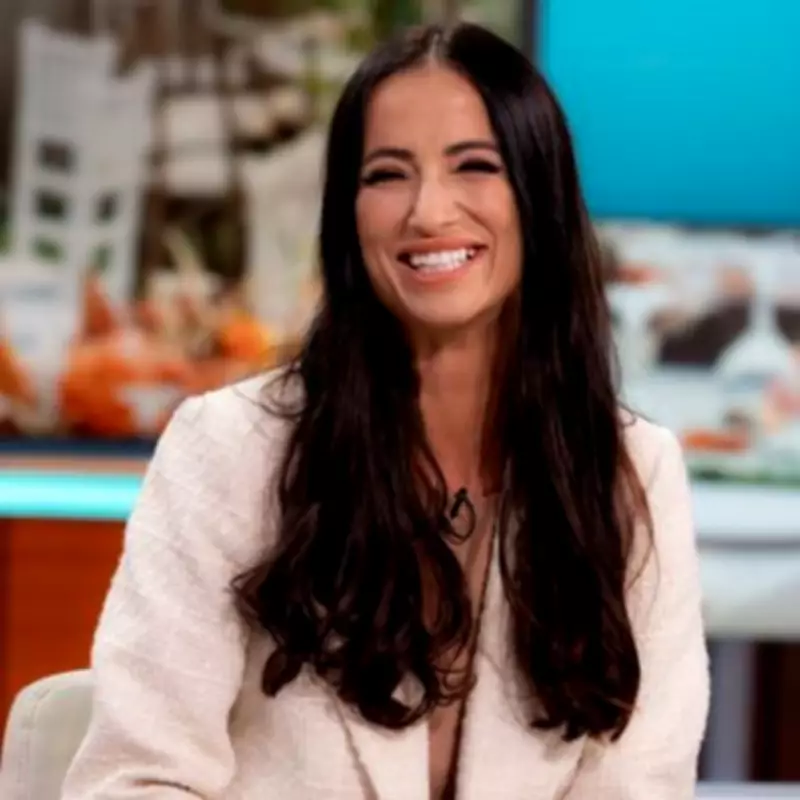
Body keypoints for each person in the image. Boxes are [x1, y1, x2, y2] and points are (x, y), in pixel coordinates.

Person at [60, 22, 709, 800]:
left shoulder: (632, 473)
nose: (428, 212)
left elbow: (639, 784)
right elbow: (135, 779)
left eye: (475, 166)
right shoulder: (229, 449)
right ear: (349, 212)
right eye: (387, 174)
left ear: (539, 197)